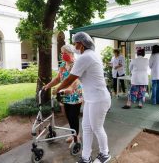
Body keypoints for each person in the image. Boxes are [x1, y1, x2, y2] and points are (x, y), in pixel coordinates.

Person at [53, 32, 111, 163]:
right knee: (86, 127)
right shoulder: (89, 56)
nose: (74, 46)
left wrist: (57, 89)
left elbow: (71, 78)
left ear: (82, 44)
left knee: (97, 127)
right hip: (91, 99)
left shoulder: (85, 57)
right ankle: (86, 157)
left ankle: (105, 154)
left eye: (75, 43)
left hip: (99, 99)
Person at [43, 44, 83, 143]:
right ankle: (73, 133)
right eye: (61, 53)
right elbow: (58, 78)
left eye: (64, 53)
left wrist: (70, 88)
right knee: (68, 115)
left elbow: (76, 79)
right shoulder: (63, 64)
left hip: (75, 94)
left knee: (73, 115)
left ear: (71, 53)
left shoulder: (76, 64)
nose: (62, 55)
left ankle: (76, 136)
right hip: (64, 93)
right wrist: (48, 85)